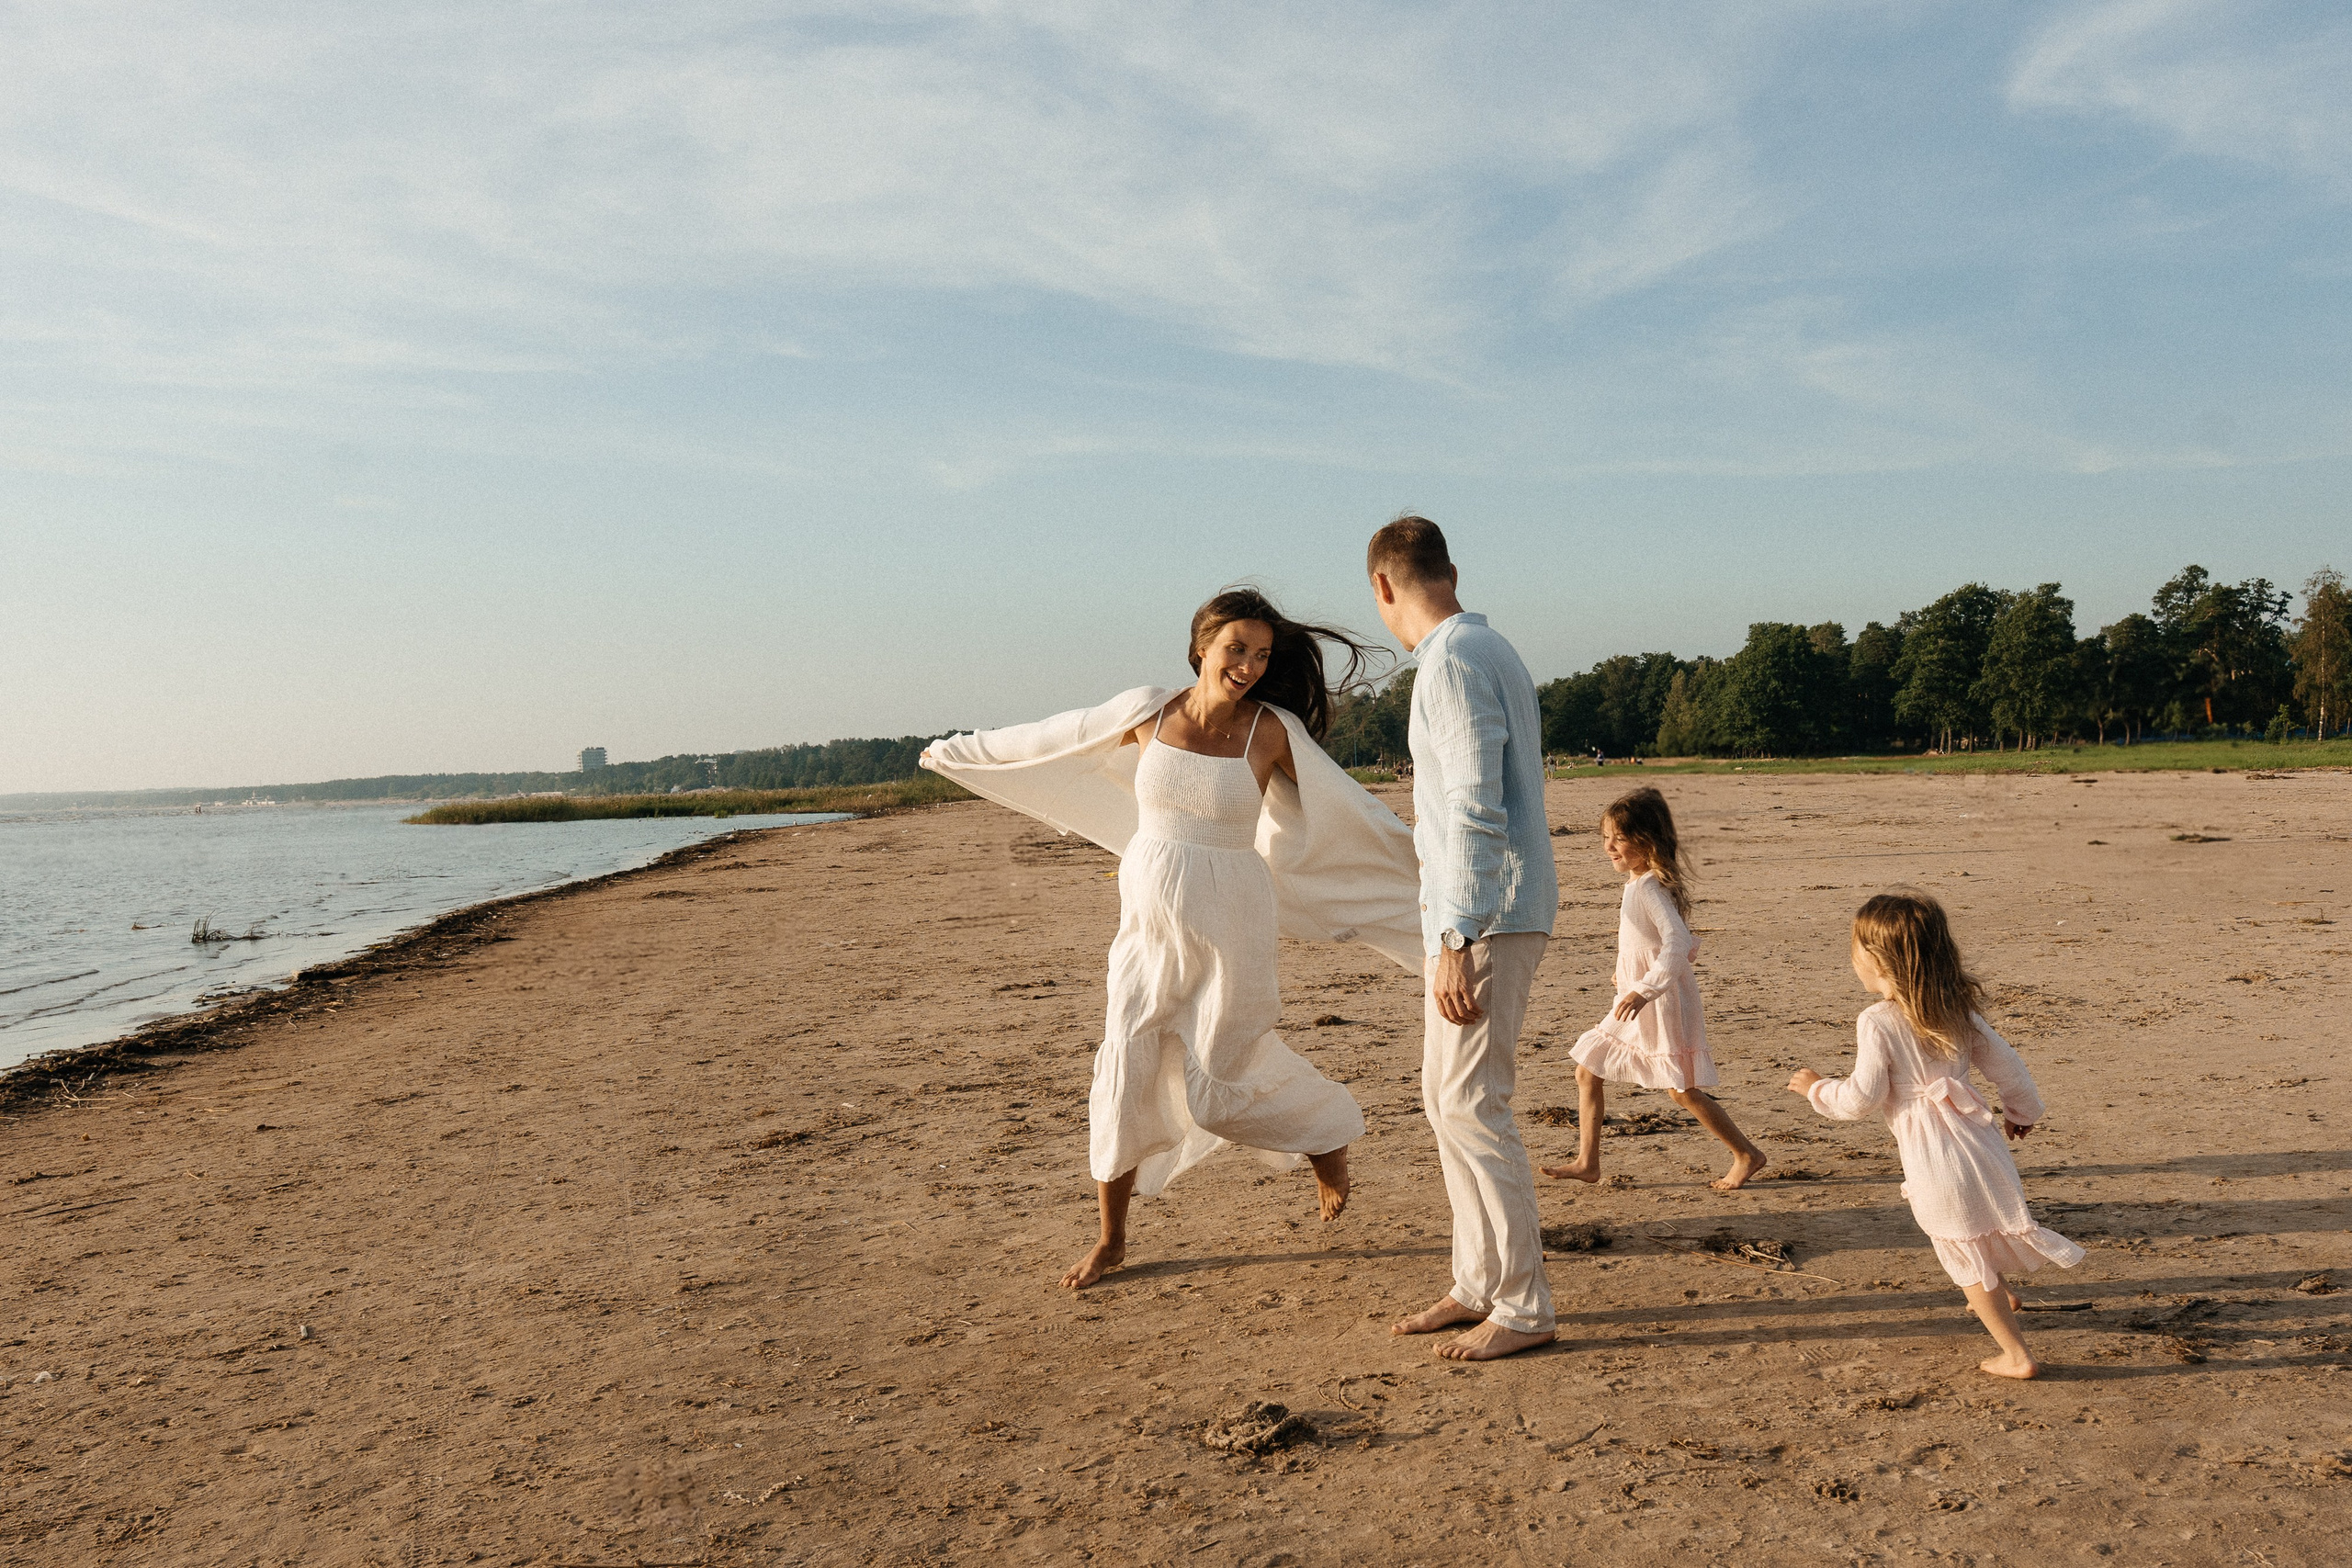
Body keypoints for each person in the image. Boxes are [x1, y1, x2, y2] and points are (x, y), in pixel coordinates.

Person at [920, 588, 1422, 1291]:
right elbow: (1054, 737)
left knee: (1221, 1077)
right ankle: (1112, 1236)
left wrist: (1419, 853)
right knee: (1125, 1065)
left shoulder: (1269, 732)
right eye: (1235, 650)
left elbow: (1346, 810)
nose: (1247, 665)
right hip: (1150, 919)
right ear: (1200, 649)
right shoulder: (1147, 713)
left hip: (1233, 920)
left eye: (1261, 655)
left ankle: (1325, 1134)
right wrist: (962, 750)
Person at [1369, 516, 1560, 1361]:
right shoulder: (1490, 650)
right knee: (1448, 1101)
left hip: (1486, 914)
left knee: (1474, 1106)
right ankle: (1478, 1281)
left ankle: (1522, 1304)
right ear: (1450, 570)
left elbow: (1479, 803)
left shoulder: (1449, 662)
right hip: (1490, 910)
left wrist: (1455, 933)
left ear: (1383, 587)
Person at [1788, 891, 2085, 1379]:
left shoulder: (1877, 1021)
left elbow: (1862, 1098)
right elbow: (2006, 1064)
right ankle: (2002, 1292)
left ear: (1879, 962)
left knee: (1959, 1241)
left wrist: (1817, 1089)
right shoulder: (1957, 1007)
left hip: (1932, 1153)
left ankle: (2015, 1354)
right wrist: (2022, 1110)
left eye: (1856, 951)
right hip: (1979, 1137)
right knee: (1979, 1219)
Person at [1542, 787, 1767, 1190]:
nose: (1608, 846)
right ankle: (1587, 1162)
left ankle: (1746, 1154)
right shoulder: (1641, 884)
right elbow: (1662, 944)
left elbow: (1678, 943)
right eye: (1605, 837)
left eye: (1619, 838)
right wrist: (1626, 978)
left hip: (1658, 1002)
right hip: (1638, 997)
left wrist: (1644, 987)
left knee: (1681, 1091)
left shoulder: (1648, 887)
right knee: (1588, 1070)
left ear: (1647, 841)